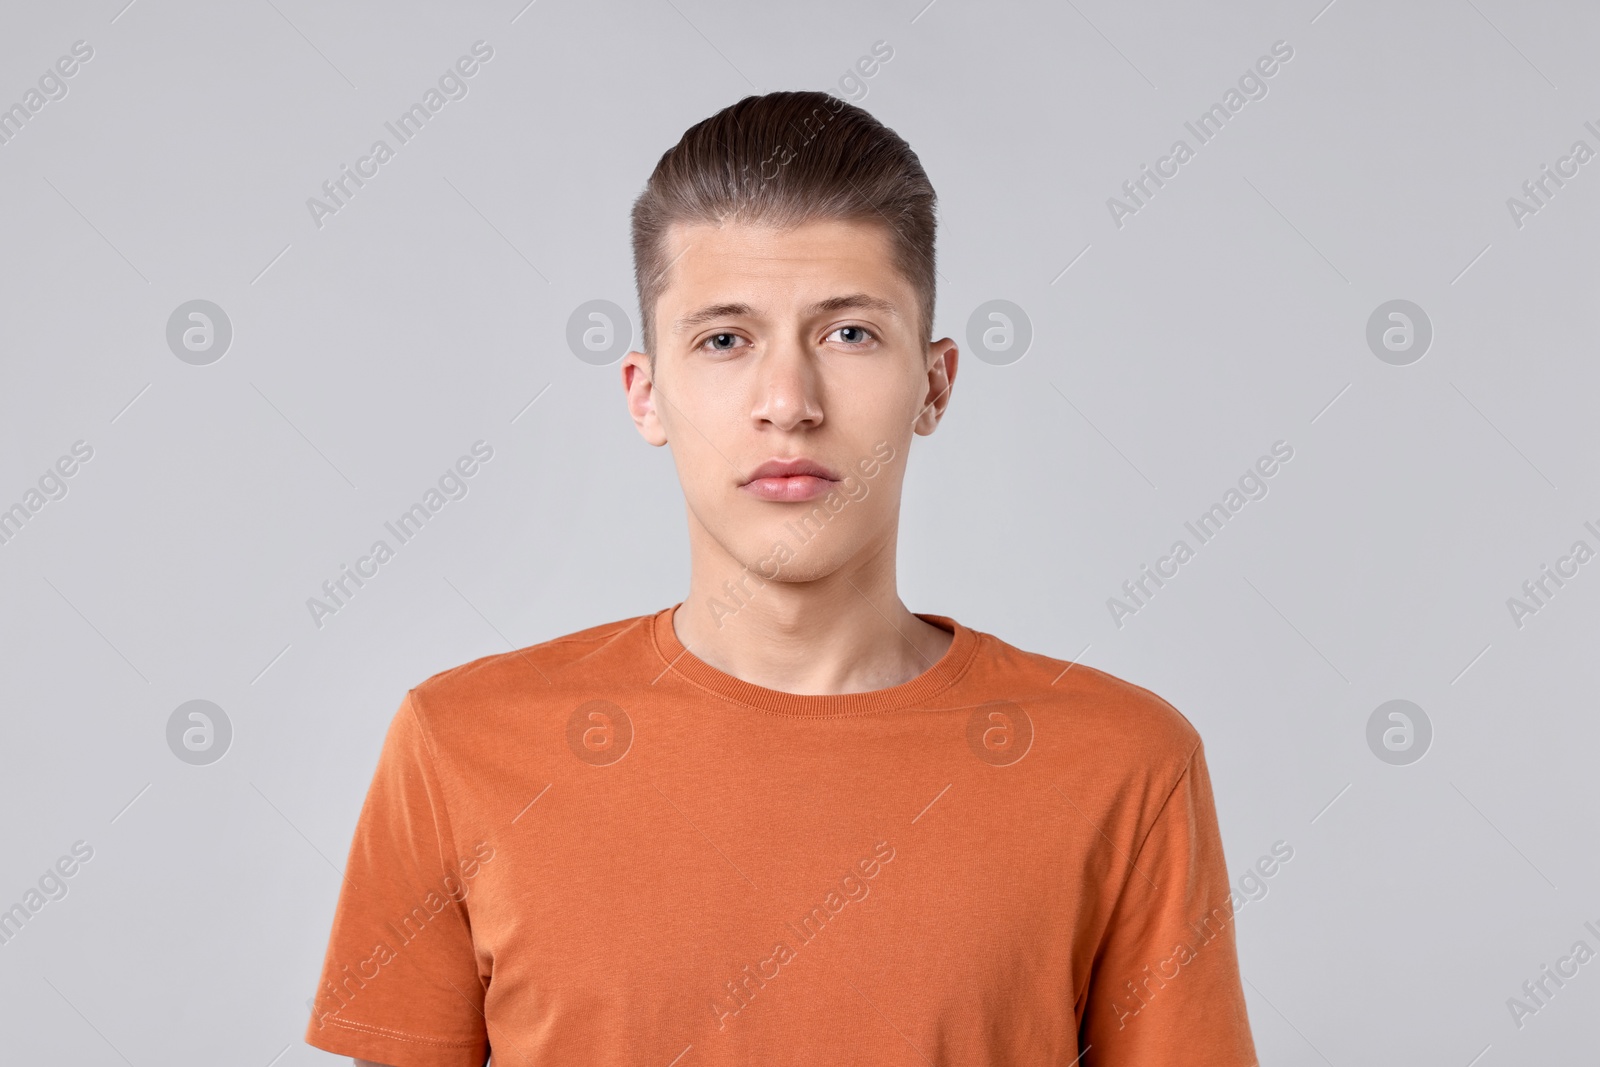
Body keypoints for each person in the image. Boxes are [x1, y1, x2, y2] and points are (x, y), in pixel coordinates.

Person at [305, 89, 1258, 1067]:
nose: (788, 402)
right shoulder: (459, 742)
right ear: (646, 393)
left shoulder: (1123, 764)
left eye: (848, 333)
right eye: (725, 338)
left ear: (934, 384)